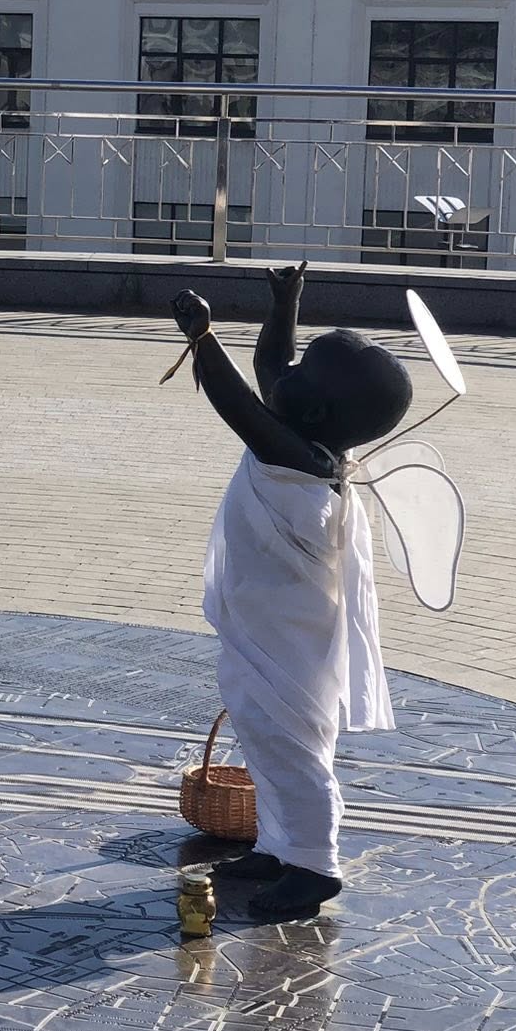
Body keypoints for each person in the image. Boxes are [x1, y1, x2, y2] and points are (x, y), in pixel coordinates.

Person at [168, 264, 412, 919]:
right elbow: (269, 369)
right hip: (268, 629)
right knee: (264, 741)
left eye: (303, 369)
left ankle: (315, 865)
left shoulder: (300, 463)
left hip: (288, 645)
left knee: (293, 752)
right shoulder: (306, 438)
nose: (285, 370)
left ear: (316, 411)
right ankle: (278, 845)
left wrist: (202, 339)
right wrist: (284, 305)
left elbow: (239, 404)